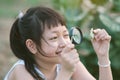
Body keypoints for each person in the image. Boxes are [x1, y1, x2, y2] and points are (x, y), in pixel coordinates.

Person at [4, 6, 113, 80]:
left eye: (65, 35)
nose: (65, 43)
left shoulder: (64, 62)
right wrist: (65, 72)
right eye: (54, 38)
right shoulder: (21, 71)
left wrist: (103, 56)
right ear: (32, 46)